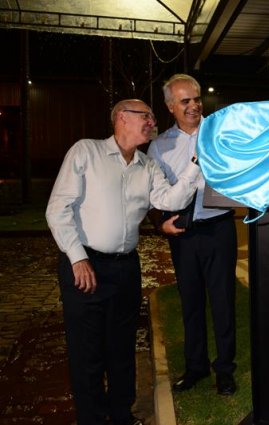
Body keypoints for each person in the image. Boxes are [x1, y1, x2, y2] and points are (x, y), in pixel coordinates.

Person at [45, 99, 200, 425]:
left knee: (122, 348)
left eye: (152, 116)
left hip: (126, 269)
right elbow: (58, 209)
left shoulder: (148, 166)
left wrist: (197, 163)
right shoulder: (86, 152)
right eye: (145, 115)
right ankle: (91, 418)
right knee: (88, 352)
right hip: (86, 266)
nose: (152, 121)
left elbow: (169, 199)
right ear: (121, 118)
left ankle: (121, 414)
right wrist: (77, 258)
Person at [147, 74, 238, 395]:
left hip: (219, 227)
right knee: (191, 303)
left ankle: (225, 369)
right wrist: (159, 224)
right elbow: (152, 193)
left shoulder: (220, 134)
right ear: (171, 106)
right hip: (183, 233)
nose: (194, 106)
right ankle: (196, 366)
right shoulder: (159, 147)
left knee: (224, 301)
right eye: (185, 101)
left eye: (197, 99)